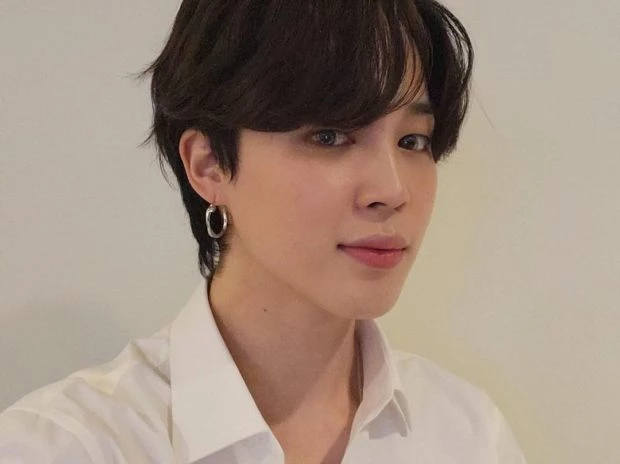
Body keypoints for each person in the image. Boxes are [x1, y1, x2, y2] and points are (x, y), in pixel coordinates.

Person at [0, 0, 528, 462]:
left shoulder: (467, 437)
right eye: (330, 136)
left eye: (413, 141)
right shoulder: (71, 446)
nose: (392, 190)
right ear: (208, 164)